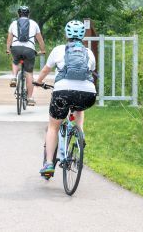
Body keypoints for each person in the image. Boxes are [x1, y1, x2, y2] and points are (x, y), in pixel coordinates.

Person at [35, 20, 97, 178]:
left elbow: (45, 70)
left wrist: (39, 82)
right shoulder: (88, 53)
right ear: (82, 36)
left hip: (62, 93)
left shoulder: (58, 50)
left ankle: (49, 163)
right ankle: (80, 133)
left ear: (66, 34)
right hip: (88, 94)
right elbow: (90, 72)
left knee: (53, 127)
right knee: (79, 108)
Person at [6, 5, 46, 106]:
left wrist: (8, 49)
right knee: (29, 73)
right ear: (28, 14)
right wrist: (43, 50)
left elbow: (9, 40)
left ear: (18, 14)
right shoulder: (34, 24)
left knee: (15, 61)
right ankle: (30, 98)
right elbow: (40, 40)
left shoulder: (13, 23)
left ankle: (14, 77)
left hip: (16, 48)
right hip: (29, 50)